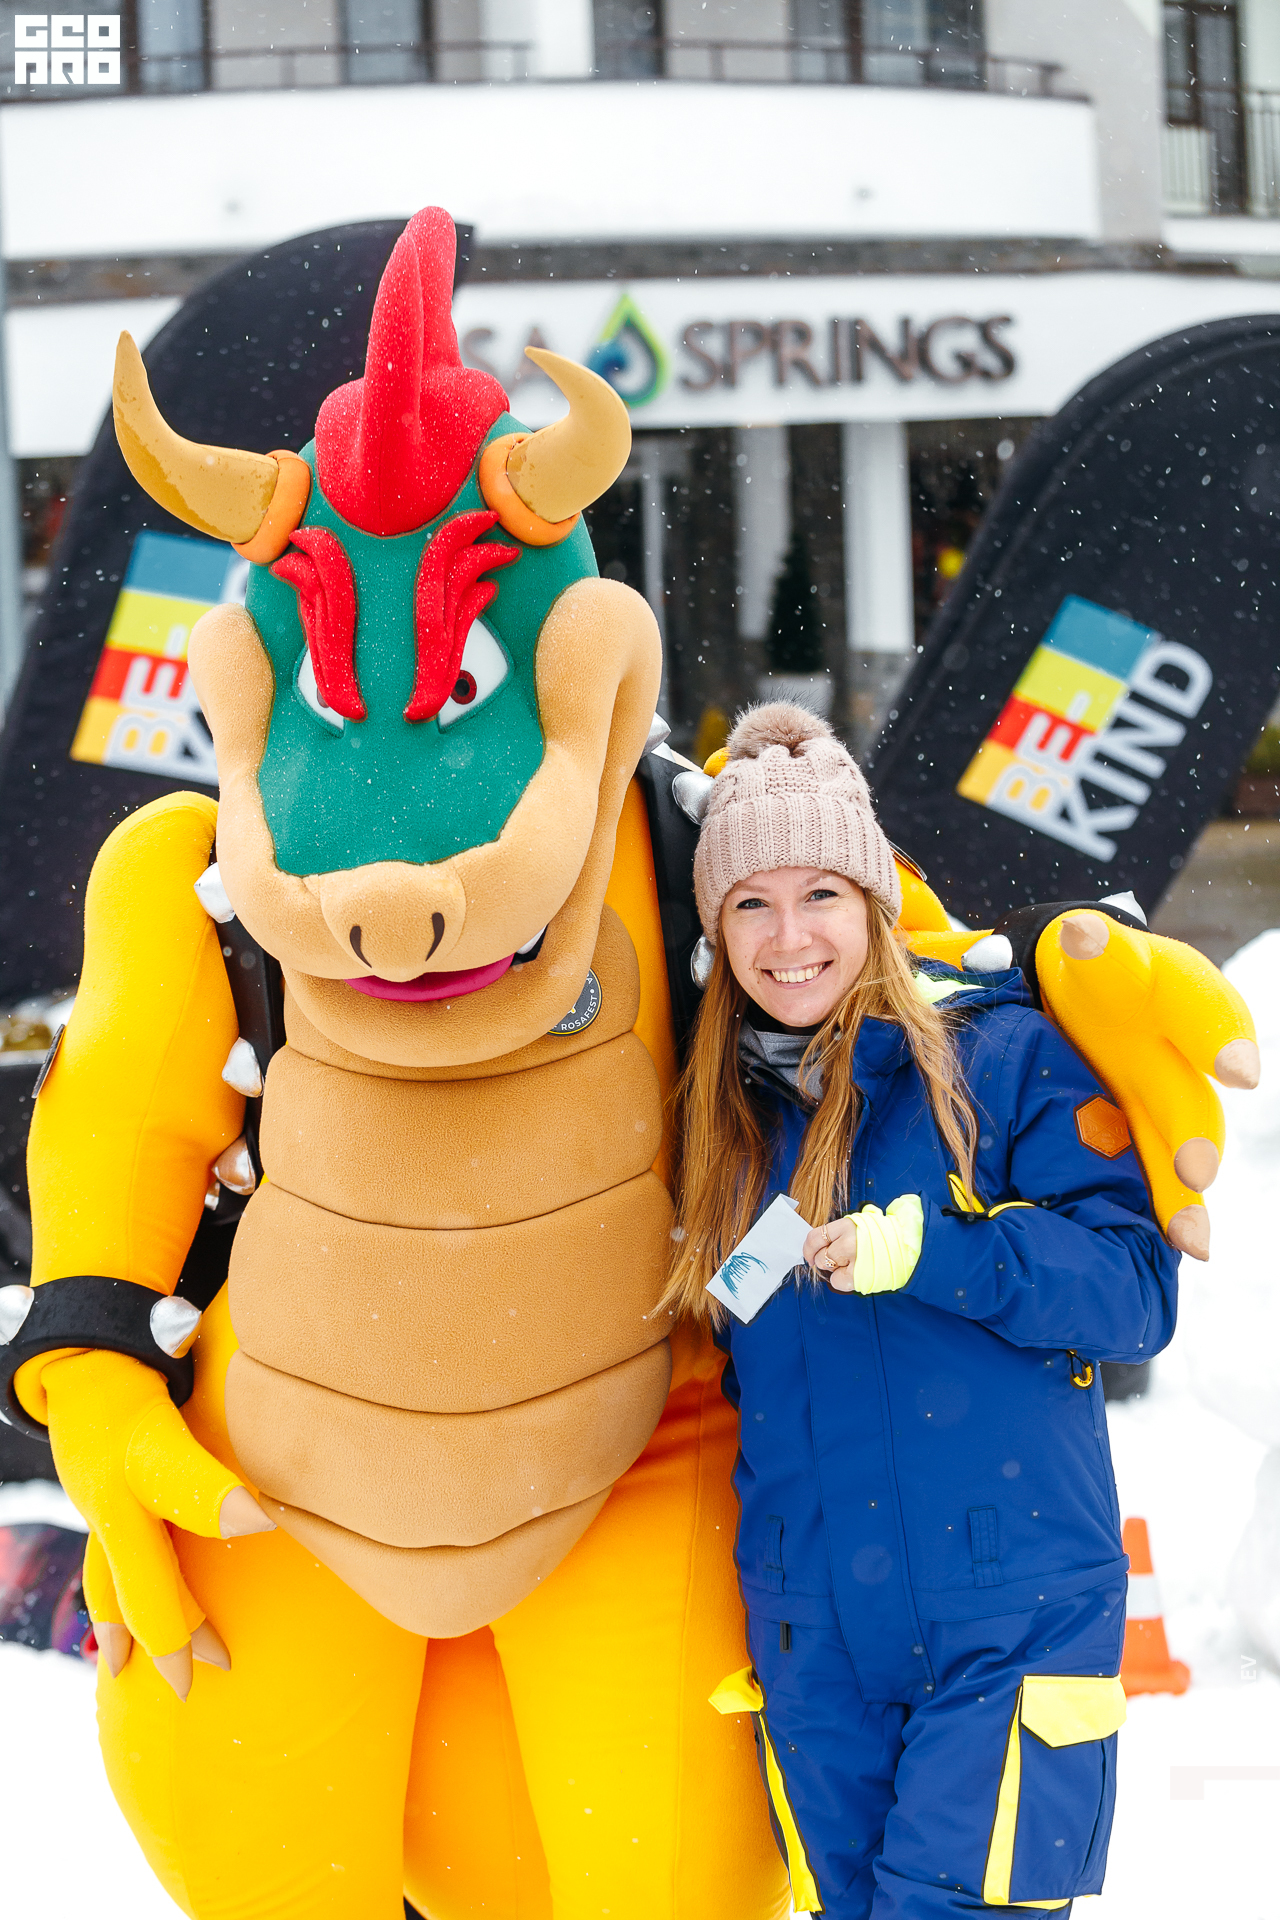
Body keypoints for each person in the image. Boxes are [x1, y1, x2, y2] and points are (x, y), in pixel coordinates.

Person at [664, 703, 1178, 1919]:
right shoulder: (715, 1123)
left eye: (820, 894)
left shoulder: (997, 1062)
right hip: (813, 1645)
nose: (788, 937)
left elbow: (1130, 1292)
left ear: (875, 903)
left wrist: (935, 1252)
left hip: (1005, 1620)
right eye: (749, 904)